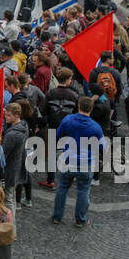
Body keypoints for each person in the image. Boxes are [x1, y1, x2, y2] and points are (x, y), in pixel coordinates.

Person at [51, 96, 103, 226]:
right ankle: (80, 219)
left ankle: (57, 216)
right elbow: (102, 146)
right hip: (86, 163)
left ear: (78, 106)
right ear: (91, 109)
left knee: (62, 188)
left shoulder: (68, 120)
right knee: (83, 191)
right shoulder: (95, 127)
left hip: (68, 160)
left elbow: (57, 136)